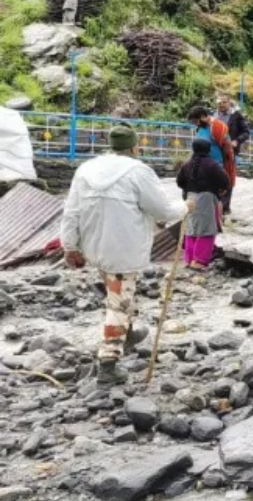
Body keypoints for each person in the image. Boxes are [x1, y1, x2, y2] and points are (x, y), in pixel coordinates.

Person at [61, 125, 191, 385]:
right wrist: (185, 207)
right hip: (123, 247)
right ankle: (108, 362)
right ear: (134, 147)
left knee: (118, 293)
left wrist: (70, 246)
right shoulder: (138, 172)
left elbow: (71, 210)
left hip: (94, 244)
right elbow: (162, 210)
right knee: (118, 302)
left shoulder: (86, 169)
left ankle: (127, 332)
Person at [176, 138, 229, 271]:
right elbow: (224, 181)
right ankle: (199, 261)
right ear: (208, 149)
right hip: (206, 198)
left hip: (190, 198)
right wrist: (219, 189)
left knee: (191, 229)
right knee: (207, 230)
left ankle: (189, 259)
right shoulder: (212, 164)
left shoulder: (187, 164)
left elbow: (179, 182)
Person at [187, 106, 238, 201]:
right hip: (202, 166)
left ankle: (219, 211)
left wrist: (225, 165)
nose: (195, 124)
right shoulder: (200, 128)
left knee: (217, 192)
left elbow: (227, 147)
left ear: (202, 116)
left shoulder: (217, 126)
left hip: (216, 165)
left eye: (196, 121)